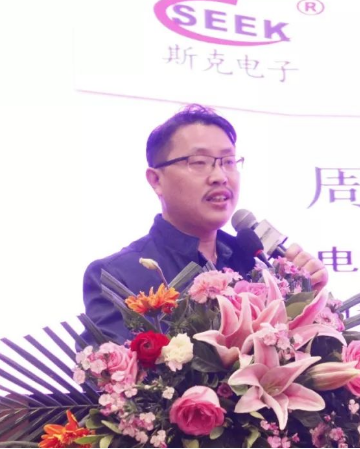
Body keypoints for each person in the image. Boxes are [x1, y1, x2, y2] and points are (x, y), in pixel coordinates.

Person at [83, 104, 328, 343]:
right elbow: (109, 368)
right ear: (156, 180)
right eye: (199, 162)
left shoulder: (259, 265)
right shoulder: (118, 277)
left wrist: (308, 299)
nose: (220, 176)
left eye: (228, 161)